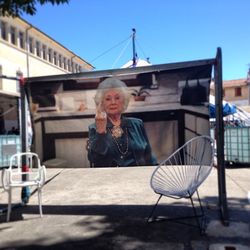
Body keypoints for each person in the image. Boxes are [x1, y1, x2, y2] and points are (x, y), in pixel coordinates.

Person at [87, 77, 157, 167]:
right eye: (108, 99)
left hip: (138, 176)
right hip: (110, 178)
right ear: (101, 103)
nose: (113, 102)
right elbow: (94, 159)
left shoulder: (137, 124)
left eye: (117, 98)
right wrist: (101, 132)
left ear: (124, 100)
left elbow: (149, 156)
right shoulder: (94, 128)